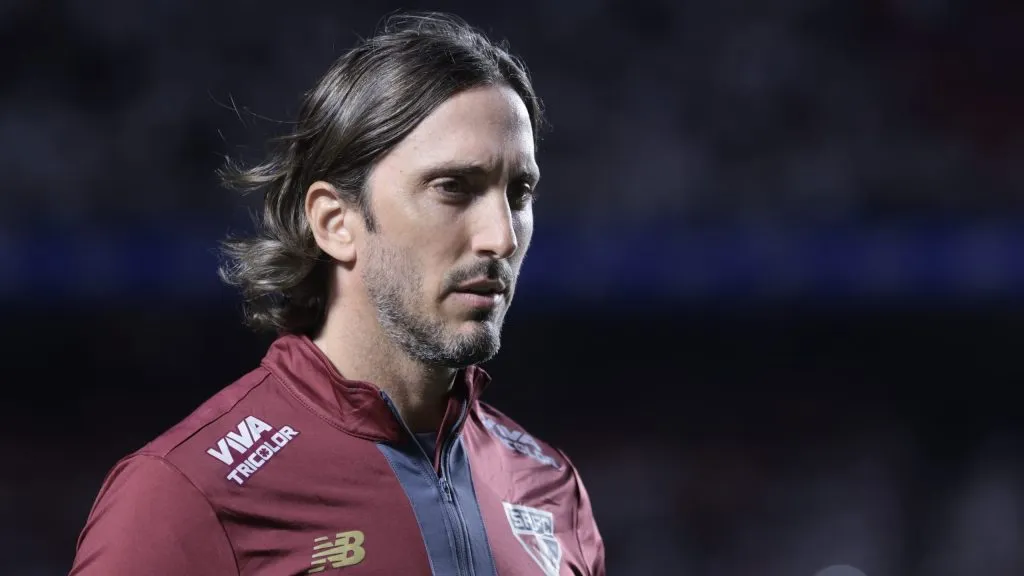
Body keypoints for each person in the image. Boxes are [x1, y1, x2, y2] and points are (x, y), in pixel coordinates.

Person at [69, 11, 605, 576]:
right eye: (453, 188)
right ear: (335, 221)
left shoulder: (552, 490)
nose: (501, 236)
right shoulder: (184, 496)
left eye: (519, 193)